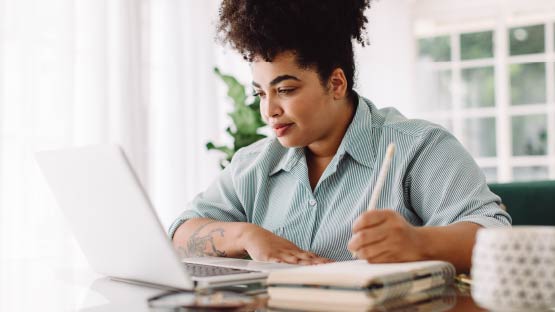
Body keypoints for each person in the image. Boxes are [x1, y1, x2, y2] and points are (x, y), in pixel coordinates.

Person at [169, 0, 511, 272]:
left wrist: (419, 242)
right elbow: (179, 235)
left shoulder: (418, 147)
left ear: (336, 83)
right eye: (260, 93)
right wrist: (246, 234)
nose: (268, 110)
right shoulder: (254, 165)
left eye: (285, 89)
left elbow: (498, 238)